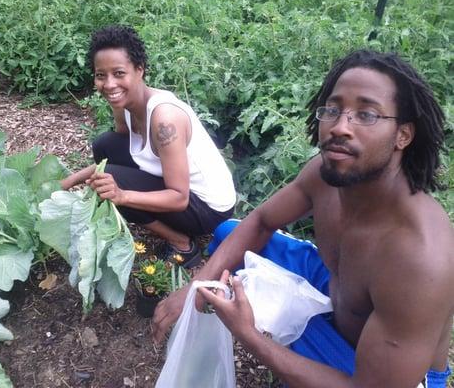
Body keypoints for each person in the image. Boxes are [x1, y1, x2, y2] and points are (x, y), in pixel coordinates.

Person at [152, 50, 453, 387]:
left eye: (366, 114)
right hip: (338, 297)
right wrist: (197, 284)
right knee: (228, 233)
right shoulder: (326, 176)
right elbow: (262, 221)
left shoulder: (420, 258)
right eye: (333, 109)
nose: (340, 127)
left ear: (403, 135)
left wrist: (248, 334)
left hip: (384, 373)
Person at [61, 25, 236, 267]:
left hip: (208, 209)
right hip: (181, 190)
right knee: (105, 145)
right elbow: (118, 146)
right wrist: (68, 182)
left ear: (140, 70)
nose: (109, 84)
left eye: (119, 73)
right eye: (101, 75)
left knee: (113, 180)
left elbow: (179, 198)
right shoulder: (126, 102)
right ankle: (128, 199)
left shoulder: (165, 119)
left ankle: (182, 244)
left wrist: (122, 195)